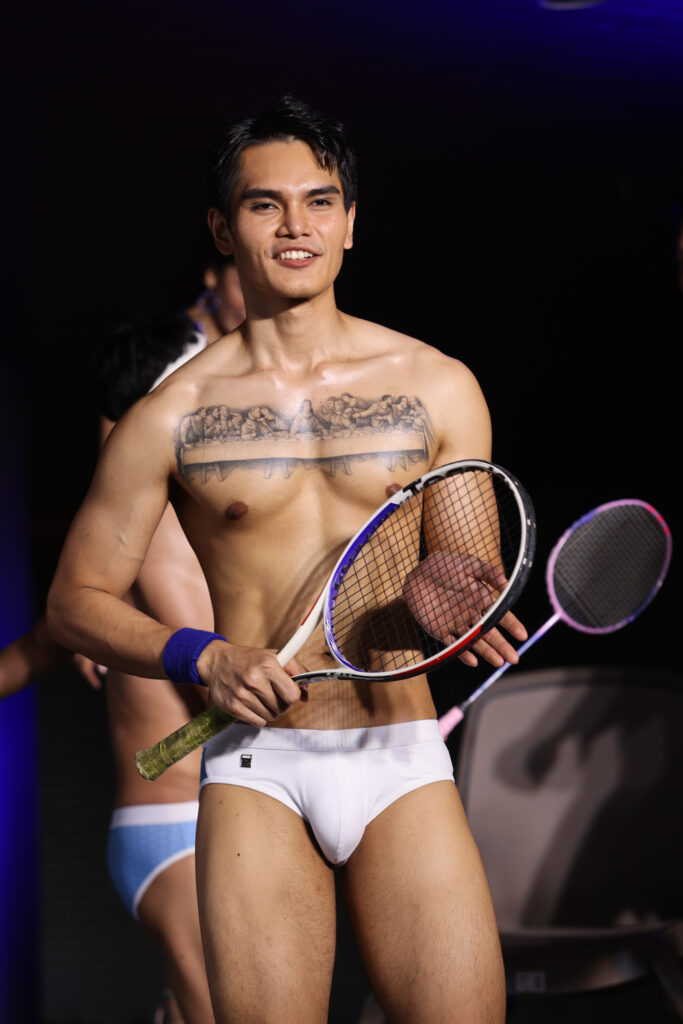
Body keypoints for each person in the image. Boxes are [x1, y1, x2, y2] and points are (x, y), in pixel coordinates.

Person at [48, 94, 528, 1024]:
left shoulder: (438, 387)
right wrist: (204, 656)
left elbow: (464, 569)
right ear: (222, 228)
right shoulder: (171, 416)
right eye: (265, 204)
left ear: (350, 222)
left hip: (398, 753)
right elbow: (76, 601)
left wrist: (444, 598)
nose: (295, 225)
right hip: (256, 765)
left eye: (320, 201)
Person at [3, 256, 244, 1024]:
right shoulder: (160, 534)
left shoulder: (125, 554)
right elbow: (214, 680)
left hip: (185, 824)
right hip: (176, 828)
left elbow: (41, 646)